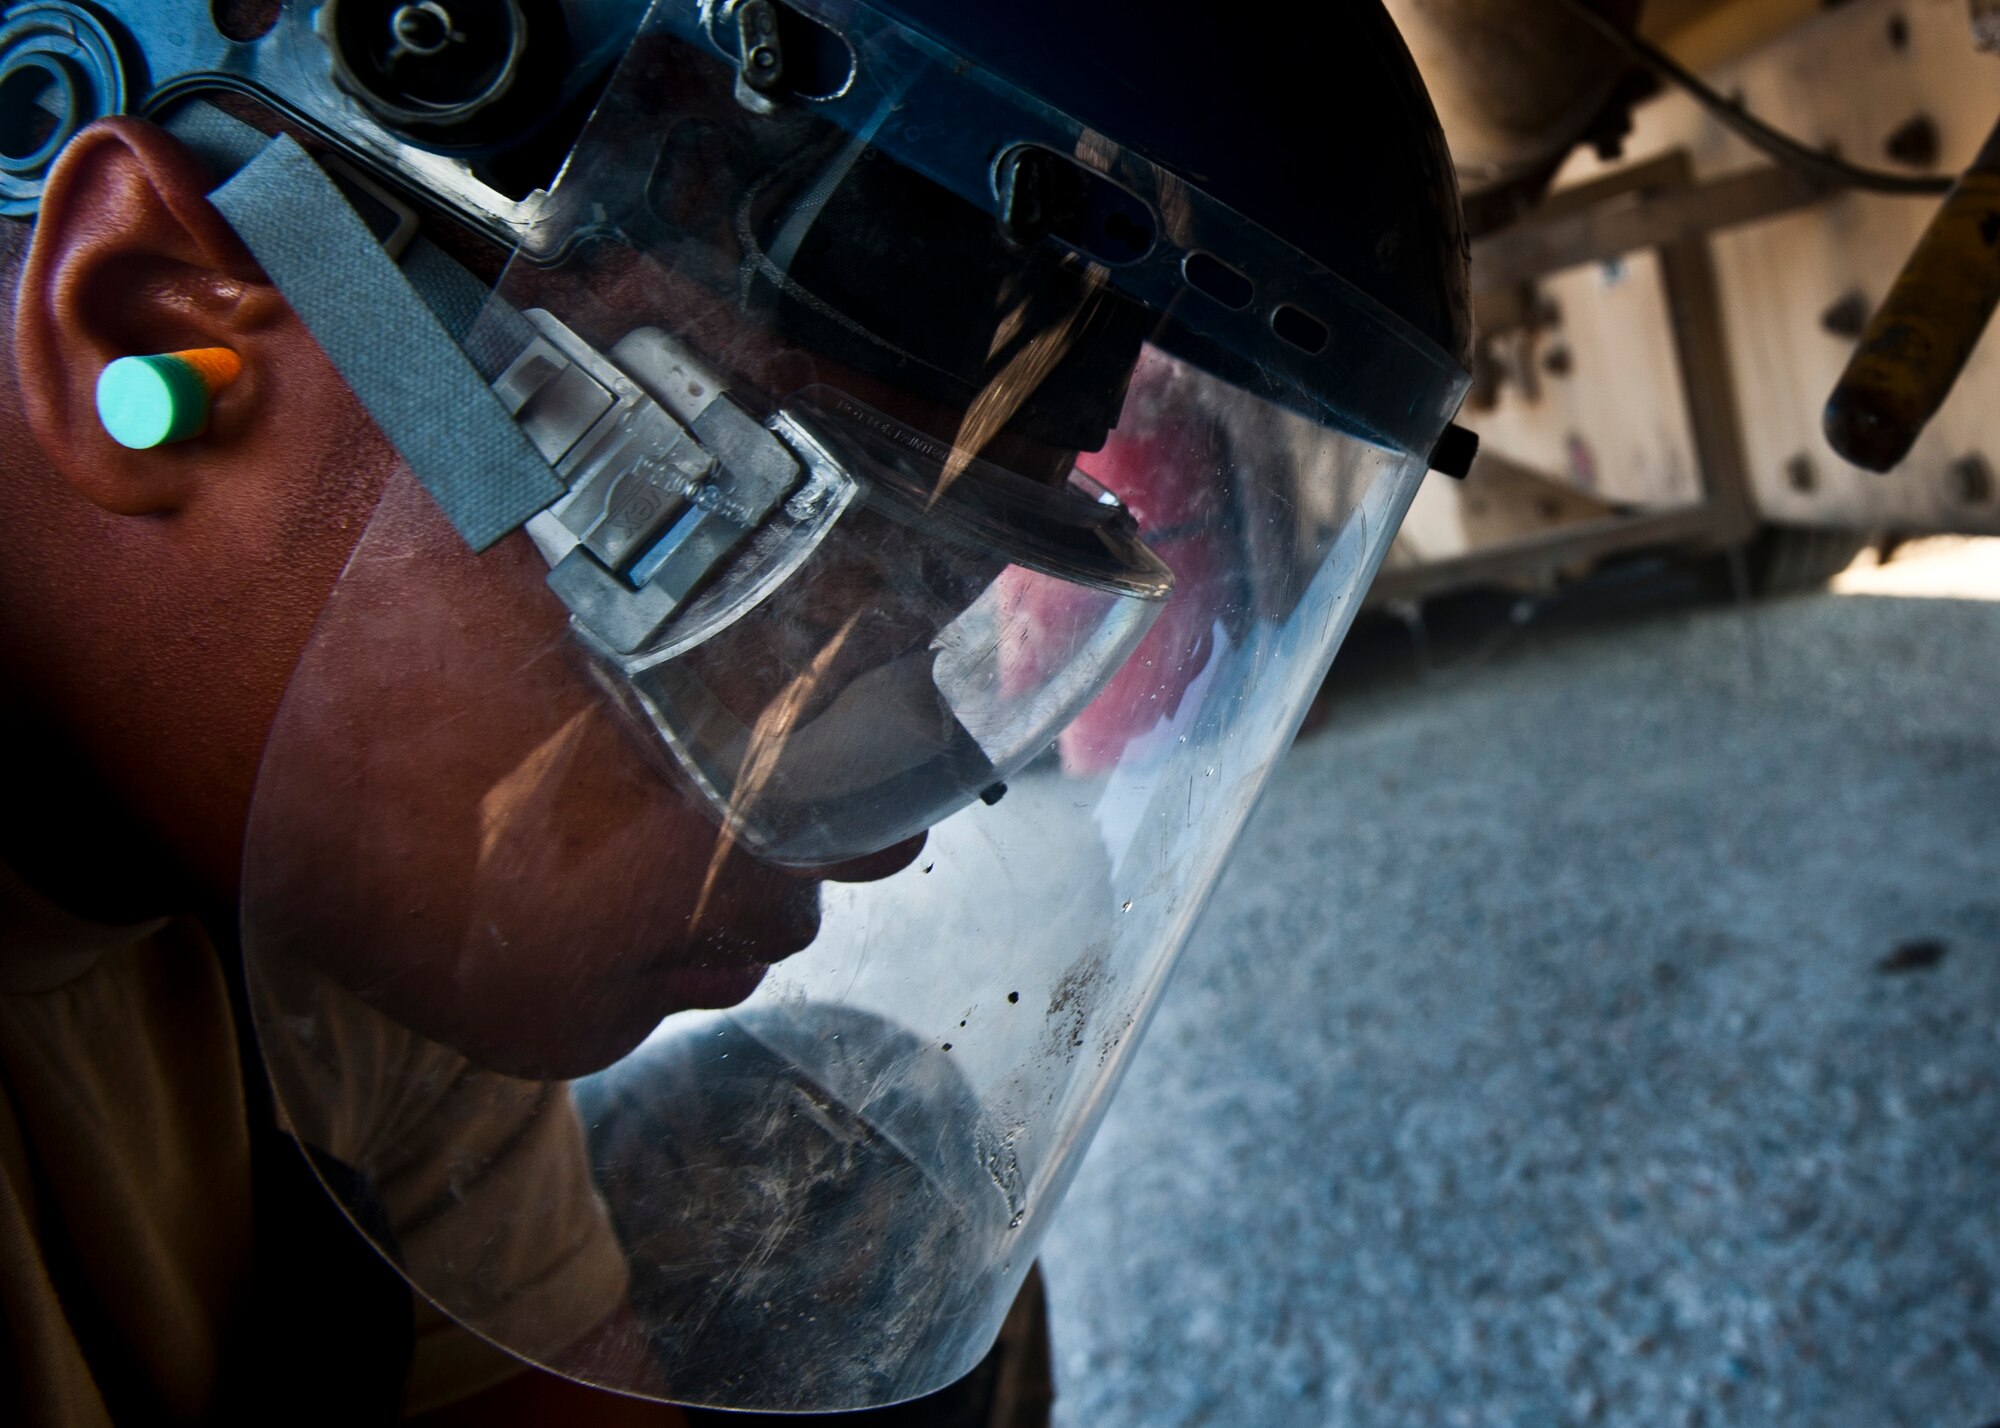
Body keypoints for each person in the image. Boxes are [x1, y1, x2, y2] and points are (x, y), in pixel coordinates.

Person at [0, 0, 1475, 1420]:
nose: (872, 851)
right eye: (760, 606)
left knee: (851, 1203)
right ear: (140, 323)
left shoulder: (346, 906)